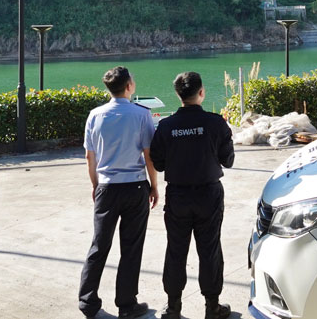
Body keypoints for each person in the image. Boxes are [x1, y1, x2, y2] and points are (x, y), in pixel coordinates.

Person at [150, 71, 235, 319]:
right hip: (209, 195)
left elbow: (159, 162)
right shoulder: (216, 123)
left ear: (178, 95)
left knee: (176, 249)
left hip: (177, 196)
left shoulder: (166, 126)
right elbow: (228, 160)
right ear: (201, 92)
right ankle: (212, 307)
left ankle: (173, 307)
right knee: (209, 249)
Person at [78, 66, 158, 319]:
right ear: (129, 86)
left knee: (99, 245)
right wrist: (154, 185)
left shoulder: (95, 115)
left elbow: (89, 157)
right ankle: (126, 304)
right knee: (131, 247)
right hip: (135, 187)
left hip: (106, 187)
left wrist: (95, 185)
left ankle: (87, 301)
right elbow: (149, 155)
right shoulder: (141, 115)